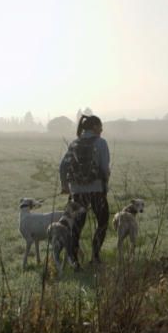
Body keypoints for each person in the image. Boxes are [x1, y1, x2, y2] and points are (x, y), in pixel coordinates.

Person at [59, 114, 111, 266]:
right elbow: (104, 168)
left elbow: (63, 166)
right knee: (102, 222)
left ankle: (74, 260)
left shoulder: (74, 143)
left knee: (76, 226)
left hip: (77, 192)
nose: (102, 129)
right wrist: (105, 186)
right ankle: (95, 257)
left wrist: (65, 186)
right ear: (95, 127)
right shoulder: (101, 143)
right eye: (101, 126)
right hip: (96, 190)